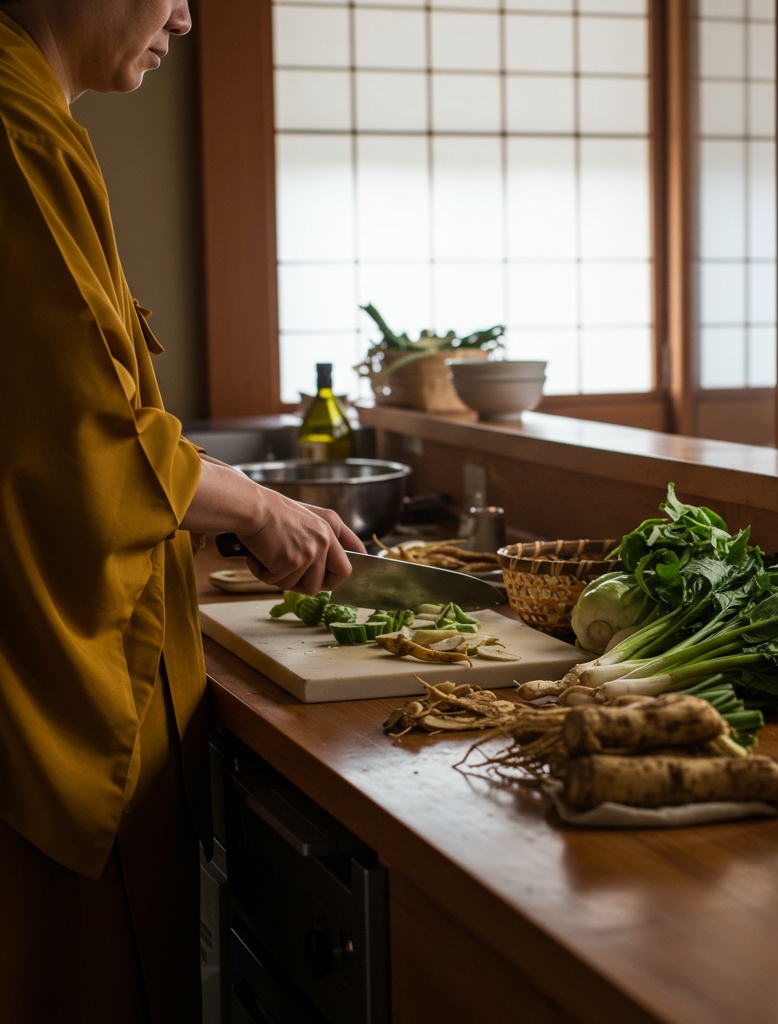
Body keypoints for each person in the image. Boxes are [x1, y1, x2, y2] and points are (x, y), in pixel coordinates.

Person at [0, 2, 365, 1021]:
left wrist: (232, 506)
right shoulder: (13, 129)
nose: (189, 19)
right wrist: (252, 506)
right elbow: (76, 431)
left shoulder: (37, 118)